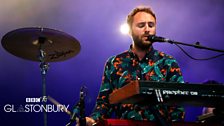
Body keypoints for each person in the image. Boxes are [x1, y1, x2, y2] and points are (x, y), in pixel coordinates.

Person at [85, 6, 185, 126]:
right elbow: (104, 102)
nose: (147, 29)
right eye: (141, 25)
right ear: (129, 30)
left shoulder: (168, 62)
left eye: (151, 25)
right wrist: (93, 120)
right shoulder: (114, 63)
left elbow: (178, 105)